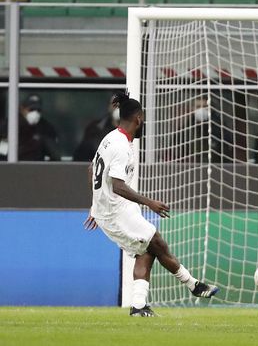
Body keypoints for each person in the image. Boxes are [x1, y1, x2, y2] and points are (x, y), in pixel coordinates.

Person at [83, 91, 219, 317]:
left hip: (115, 208)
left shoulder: (110, 138)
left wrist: (94, 204)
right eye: (142, 119)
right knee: (155, 242)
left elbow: (91, 169)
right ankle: (193, 285)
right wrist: (150, 203)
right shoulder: (121, 147)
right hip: (115, 213)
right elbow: (117, 185)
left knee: (147, 249)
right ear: (138, 119)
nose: (143, 123)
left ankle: (139, 306)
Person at [0, 94, 60, 161]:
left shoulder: (46, 128)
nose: (35, 113)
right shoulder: (9, 125)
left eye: (38, 110)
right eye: (31, 109)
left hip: (36, 168)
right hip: (12, 167)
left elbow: (54, 155)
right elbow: (2, 152)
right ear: (22, 109)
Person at [73, 94, 120, 161]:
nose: (117, 108)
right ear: (109, 107)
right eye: (114, 105)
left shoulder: (131, 128)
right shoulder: (94, 129)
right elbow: (81, 155)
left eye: (120, 105)